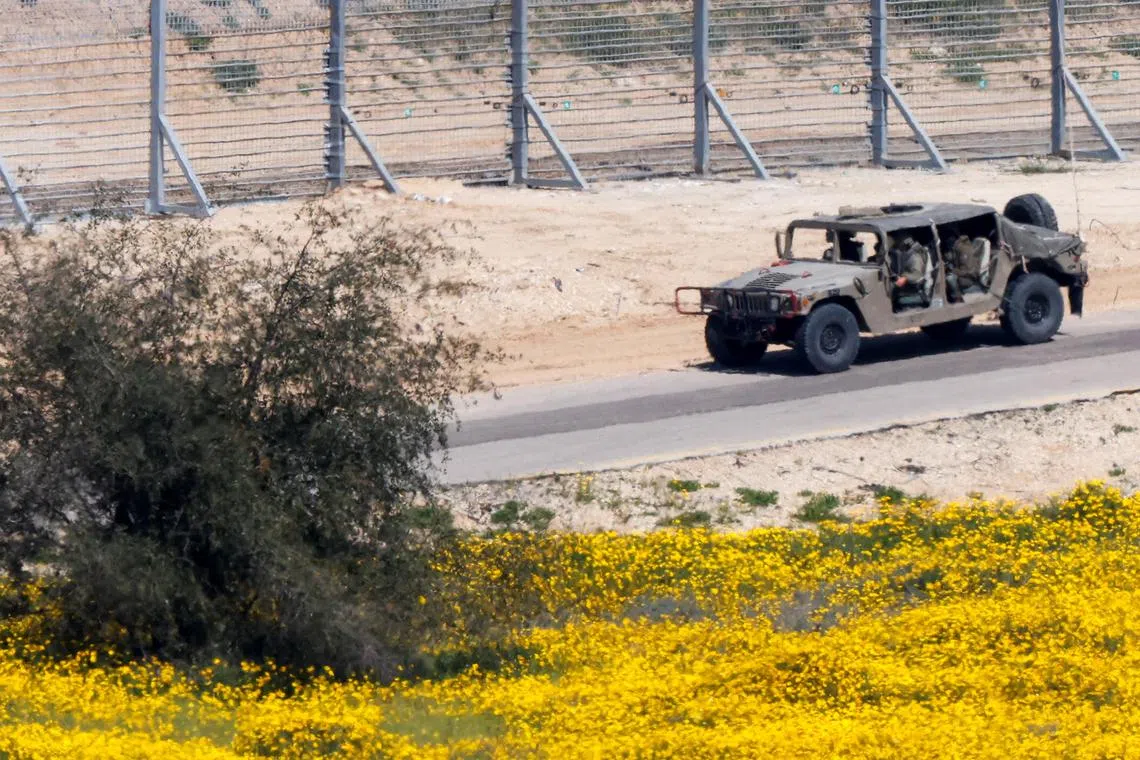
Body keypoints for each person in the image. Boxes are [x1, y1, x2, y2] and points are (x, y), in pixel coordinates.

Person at [946, 234, 991, 301]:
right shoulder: (958, 249)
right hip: (965, 281)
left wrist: (954, 271)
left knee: (950, 278)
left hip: (970, 283)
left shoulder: (964, 250)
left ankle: (958, 299)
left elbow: (969, 272)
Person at [889, 235, 931, 302]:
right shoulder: (905, 256)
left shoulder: (915, 258)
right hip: (908, 286)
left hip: (916, 289)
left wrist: (904, 277)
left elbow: (917, 275)